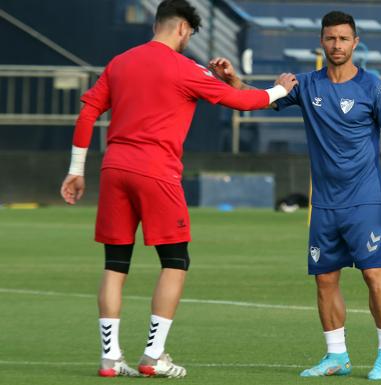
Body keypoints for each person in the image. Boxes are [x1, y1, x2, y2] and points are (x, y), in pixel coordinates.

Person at [59, 0, 297, 378]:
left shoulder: (120, 62)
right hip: (156, 172)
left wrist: (75, 170)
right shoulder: (186, 68)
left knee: (115, 265)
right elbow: (240, 101)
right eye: (190, 34)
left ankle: (109, 358)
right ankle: (153, 356)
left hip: (115, 168)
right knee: (175, 262)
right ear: (183, 29)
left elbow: (87, 112)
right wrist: (279, 90)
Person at [209, 10, 381, 380]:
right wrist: (233, 80)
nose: (337, 45)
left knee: (374, 274)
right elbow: (261, 100)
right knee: (325, 278)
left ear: (355, 43)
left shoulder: (373, 87)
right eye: (331, 38)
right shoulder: (305, 85)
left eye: (344, 39)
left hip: (365, 198)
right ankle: (337, 356)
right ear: (321, 42)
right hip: (324, 203)